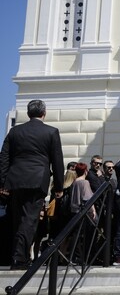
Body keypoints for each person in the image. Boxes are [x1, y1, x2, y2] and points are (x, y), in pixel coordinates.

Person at [0, 99, 65, 270]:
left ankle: (17, 256)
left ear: (29, 114)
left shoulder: (14, 132)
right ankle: (19, 259)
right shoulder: (51, 132)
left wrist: (2, 183)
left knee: (18, 220)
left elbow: (4, 159)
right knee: (29, 220)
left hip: (15, 181)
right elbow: (57, 162)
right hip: (37, 181)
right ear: (44, 113)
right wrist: (59, 187)